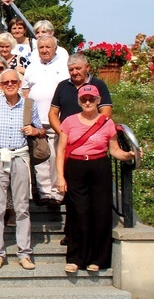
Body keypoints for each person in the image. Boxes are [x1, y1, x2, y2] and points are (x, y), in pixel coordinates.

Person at [56, 85, 134, 273]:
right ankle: (75, 259)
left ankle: (98, 259)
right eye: (84, 99)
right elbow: (60, 150)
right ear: (79, 102)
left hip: (99, 166)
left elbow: (114, 149)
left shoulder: (106, 123)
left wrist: (128, 155)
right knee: (78, 212)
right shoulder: (69, 121)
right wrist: (60, 177)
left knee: (100, 212)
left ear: (99, 101)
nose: (88, 102)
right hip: (76, 166)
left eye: (92, 99)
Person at [0, 69, 44, 270]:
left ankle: (24, 253)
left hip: (20, 156)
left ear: (19, 82)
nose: (9, 84)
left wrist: (34, 130)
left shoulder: (29, 104)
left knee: (22, 207)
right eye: (5, 82)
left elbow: (41, 130)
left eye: (13, 81)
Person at [22, 35, 69, 205]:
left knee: (56, 155)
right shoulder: (32, 67)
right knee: (41, 156)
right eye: (41, 47)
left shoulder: (64, 66)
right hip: (37, 120)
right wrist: (27, 120)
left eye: (48, 47)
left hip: (58, 120)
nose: (44, 50)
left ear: (55, 48)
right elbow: (26, 92)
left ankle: (57, 192)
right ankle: (44, 193)